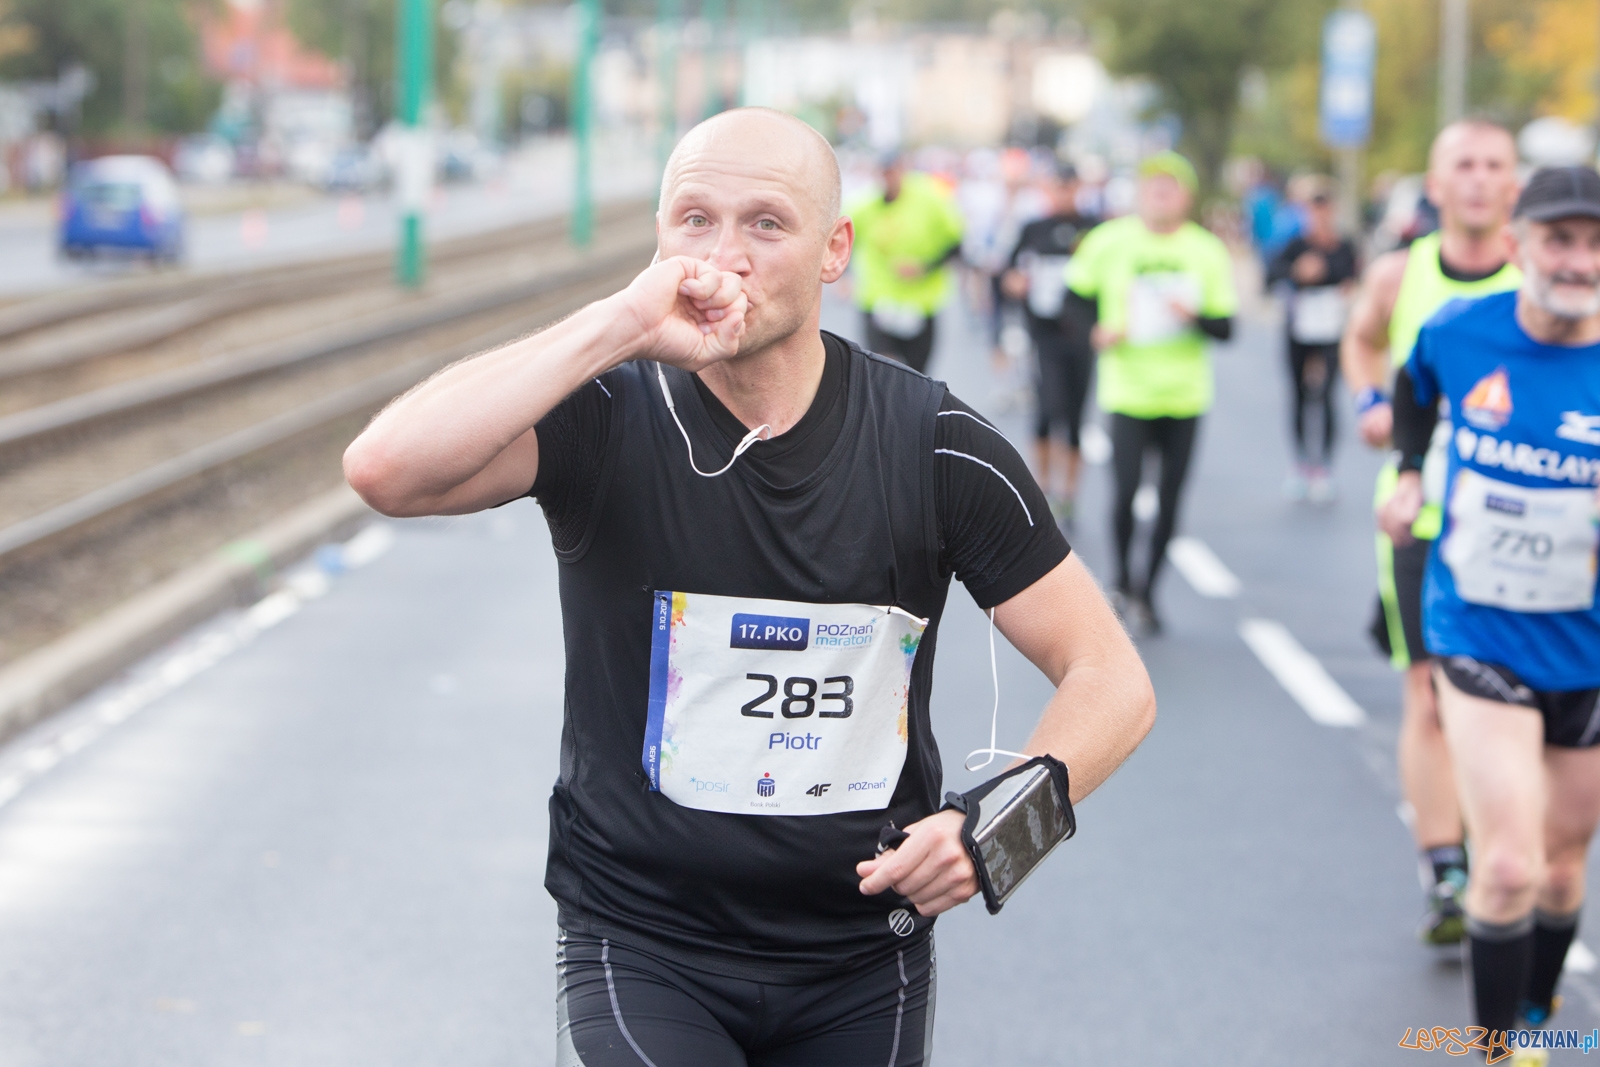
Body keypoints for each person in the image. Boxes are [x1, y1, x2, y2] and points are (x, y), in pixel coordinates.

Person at [343, 108, 1155, 1066]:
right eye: (693, 220)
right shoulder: (606, 413)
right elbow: (386, 469)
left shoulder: (934, 444)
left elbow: (1111, 678)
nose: (722, 256)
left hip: (860, 955)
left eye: (766, 223)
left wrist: (994, 830)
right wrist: (617, 326)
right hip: (641, 940)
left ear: (833, 250)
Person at [1379, 165, 1600, 1060]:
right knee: (1505, 863)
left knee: (1559, 863)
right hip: (1479, 628)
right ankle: (1495, 1047)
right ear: (1517, 246)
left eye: (1594, 243)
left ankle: (1539, 1015)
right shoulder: (1459, 332)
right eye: (1560, 239)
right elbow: (1413, 393)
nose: (1579, 260)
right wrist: (1404, 474)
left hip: (1587, 650)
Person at [1340, 119, 1522, 945]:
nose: (1480, 180)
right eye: (1464, 166)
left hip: (1528, 523)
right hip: (1419, 515)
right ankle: (1446, 866)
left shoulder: (1549, 278)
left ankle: (1503, 842)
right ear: (1436, 185)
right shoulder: (1398, 275)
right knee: (1430, 688)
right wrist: (1372, 402)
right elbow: (1363, 340)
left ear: (1514, 185)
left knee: (1516, 692)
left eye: (1495, 166)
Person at [1067, 151, 1237, 634]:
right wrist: (1094, 332)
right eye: (1153, 186)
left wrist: (1195, 317)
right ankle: (1120, 579)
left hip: (1185, 395)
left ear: (1187, 197)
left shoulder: (1206, 250)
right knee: (1123, 493)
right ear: (1141, 195)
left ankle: (1149, 590)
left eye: (1171, 186)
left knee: (1170, 500)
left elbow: (1226, 328)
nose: (1161, 194)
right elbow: (1071, 301)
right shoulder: (1110, 241)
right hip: (1129, 391)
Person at [1001, 162, 1099, 526]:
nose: (1063, 194)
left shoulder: (1094, 229)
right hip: (1043, 333)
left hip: (1083, 334)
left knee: (1075, 417)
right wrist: (1015, 284)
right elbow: (1007, 274)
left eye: (1069, 187)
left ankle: (1069, 494)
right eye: (1056, 187)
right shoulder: (1033, 228)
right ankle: (1041, 490)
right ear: (1047, 190)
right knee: (1045, 411)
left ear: (1078, 188)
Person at [1266, 179, 1360, 504]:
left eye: (1324, 210)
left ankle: (1325, 467)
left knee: (1328, 395)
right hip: (1300, 327)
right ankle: (1301, 463)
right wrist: (1296, 272)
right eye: (1313, 211)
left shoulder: (1344, 245)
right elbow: (1270, 275)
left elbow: (1352, 276)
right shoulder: (1294, 245)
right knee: (1298, 393)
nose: (1319, 217)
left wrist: (1344, 285)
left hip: (1331, 328)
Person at [847, 152, 965, 373]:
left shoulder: (931, 199)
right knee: (883, 372)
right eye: (883, 173)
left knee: (917, 376)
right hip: (878, 300)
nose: (888, 179)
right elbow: (843, 240)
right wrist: (841, 274)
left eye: (893, 172)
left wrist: (924, 267)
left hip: (921, 302)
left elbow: (957, 244)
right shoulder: (866, 205)